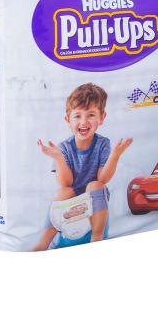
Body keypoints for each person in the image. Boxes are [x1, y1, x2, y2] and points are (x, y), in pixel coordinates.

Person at [33, 83, 132, 250]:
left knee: (95, 184)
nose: (84, 121)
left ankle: (96, 238)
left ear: (101, 118)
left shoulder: (102, 143)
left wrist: (115, 156)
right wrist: (58, 158)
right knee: (64, 192)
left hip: (94, 203)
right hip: (70, 204)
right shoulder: (63, 148)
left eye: (91, 115)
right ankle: (43, 243)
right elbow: (66, 183)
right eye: (77, 116)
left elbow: (103, 179)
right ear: (68, 120)